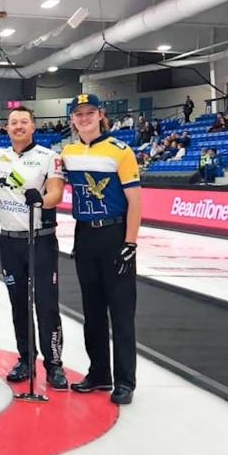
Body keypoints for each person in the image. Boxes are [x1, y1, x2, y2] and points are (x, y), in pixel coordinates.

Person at [61, 93, 141, 405]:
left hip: (114, 233)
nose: (84, 118)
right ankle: (99, 374)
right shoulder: (68, 152)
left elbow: (135, 201)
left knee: (121, 312)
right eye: (78, 114)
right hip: (85, 235)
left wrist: (130, 243)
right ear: (72, 119)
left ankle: (125, 381)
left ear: (100, 115)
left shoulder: (121, 151)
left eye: (89, 113)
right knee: (92, 312)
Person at [0, 107, 68, 389]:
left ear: (33, 126)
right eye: (13, 123)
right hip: (9, 241)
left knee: (46, 303)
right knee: (18, 304)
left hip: (40, 239)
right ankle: (26, 358)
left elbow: (56, 193)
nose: (18, 126)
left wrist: (41, 200)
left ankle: (54, 363)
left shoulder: (49, 157)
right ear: (6, 128)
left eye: (24, 122)